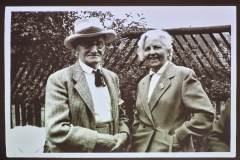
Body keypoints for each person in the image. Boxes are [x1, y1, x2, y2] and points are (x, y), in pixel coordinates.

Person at [45, 18, 129, 152]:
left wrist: (124, 134)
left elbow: (122, 116)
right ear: (75, 49)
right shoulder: (59, 79)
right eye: (87, 44)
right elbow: (56, 129)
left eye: (99, 44)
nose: (95, 50)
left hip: (111, 149)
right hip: (77, 152)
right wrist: (100, 140)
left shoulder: (112, 77)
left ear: (105, 47)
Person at [131, 29, 215, 152]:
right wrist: (137, 136)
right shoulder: (142, 82)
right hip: (142, 149)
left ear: (168, 51)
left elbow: (206, 114)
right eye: (147, 49)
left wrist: (179, 136)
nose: (152, 52)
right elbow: (138, 117)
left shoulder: (183, 75)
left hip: (172, 149)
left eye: (157, 47)